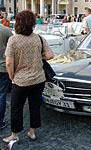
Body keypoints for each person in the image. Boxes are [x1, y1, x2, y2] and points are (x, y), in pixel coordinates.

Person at [2, 10, 54, 143]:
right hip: (38, 79)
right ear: (32, 23)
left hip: (20, 81)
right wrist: (37, 56)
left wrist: (12, 77)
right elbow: (50, 55)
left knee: (16, 107)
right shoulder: (39, 38)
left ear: (18, 23)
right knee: (35, 106)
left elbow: (9, 63)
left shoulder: (13, 40)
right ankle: (32, 132)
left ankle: (14, 135)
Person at [0, 23, 13, 130]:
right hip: (3, 67)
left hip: (3, 67)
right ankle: (0, 122)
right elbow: (14, 46)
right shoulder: (6, 31)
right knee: (1, 95)